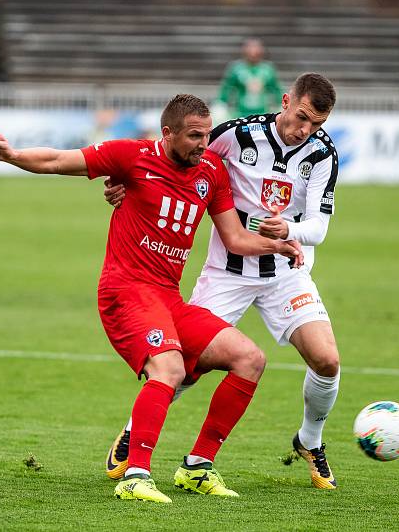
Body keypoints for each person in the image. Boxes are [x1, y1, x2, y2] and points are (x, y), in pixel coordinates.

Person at [0, 94, 303, 503]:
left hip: (168, 298)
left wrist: (279, 245)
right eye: (193, 136)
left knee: (250, 359)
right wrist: (10, 155)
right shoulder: (130, 157)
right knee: (167, 368)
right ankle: (134, 475)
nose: (203, 144)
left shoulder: (212, 172)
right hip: (126, 290)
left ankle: (198, 467)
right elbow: (58, 160)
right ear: (167, 133)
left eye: (206, 135)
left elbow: (235, 239)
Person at [104, 73, 341, 490]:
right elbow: (174, 157)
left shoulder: (323, 154)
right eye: (301, 117)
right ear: (286, 101)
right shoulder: (236, 135)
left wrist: (288, 230)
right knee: (186, 366)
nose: (305, 129)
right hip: (227, 274)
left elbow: (320, 226)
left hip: (286, 273)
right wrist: (127, 183)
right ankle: (130, 432)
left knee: (327, 360)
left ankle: (310, 440)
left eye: (315, 124)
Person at [215, 38, 283, 119]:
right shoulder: (236, 68)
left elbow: (276, 90)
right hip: (240, 112)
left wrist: (281, 104)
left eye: (256, 48)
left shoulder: (268, 69)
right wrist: (221, 104)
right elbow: (226, 89)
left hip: (262, 112)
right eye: (250, 48)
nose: (253, 52)